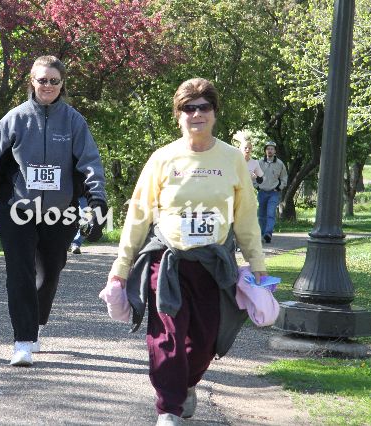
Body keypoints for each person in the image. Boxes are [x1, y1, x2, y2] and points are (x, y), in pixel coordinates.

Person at [106, 78, 266, 425]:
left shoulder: (232, 159)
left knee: (205, 340)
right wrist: (122, 266)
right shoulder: (163, 158)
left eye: (203, 107)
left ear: (215, 112)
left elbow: (246, 217)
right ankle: (168, 408)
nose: (196, 114)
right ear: (178, 115)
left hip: (213, 265)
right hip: (168, 263)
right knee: (167, 337)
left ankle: (187, 383)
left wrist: (257, 263)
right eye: (188, 108)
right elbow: (138, 214)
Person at [0, 55, 108, 366]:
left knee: (49, 272)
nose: (48, 85)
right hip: (16, 210)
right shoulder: (14, 119)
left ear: (62, 84)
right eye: (42, 80)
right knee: (20, 273)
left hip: (60, 212)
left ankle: (36, 322)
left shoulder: (74, 121)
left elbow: (90, 164)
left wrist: (97, 202)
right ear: (32, 82)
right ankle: (23, 340)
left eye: (54, 81)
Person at [256, 140, 287, 243]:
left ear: (275, 151)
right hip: (262, 192)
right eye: (268, 149)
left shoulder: (280, 164)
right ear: (265, 151)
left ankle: (268, 234)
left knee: (270, 213)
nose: (270, 151)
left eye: (272, 149)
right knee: (261, 215)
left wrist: (278, 188)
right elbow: (253, 176)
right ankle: (262, 234)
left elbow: (284, 178)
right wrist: (257, 186)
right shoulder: (259, 163)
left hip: (274, 193)